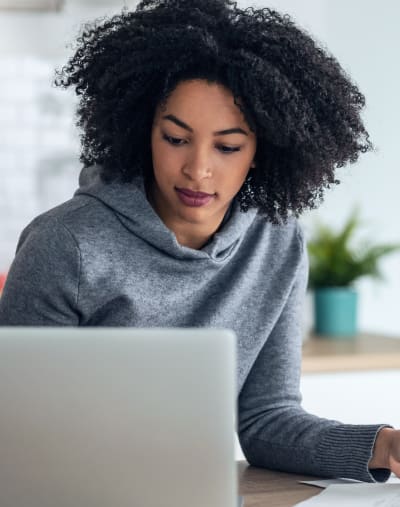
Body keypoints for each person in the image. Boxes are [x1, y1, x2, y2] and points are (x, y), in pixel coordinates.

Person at [0, 0, 399, 482]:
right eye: (175, 138)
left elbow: (267, 419)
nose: (198, 170)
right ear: (142, 129)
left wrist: (378, 446)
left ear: (261, 150)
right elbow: (18, 429)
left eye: (228, 147)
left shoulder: (277, 242)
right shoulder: (65, 244)